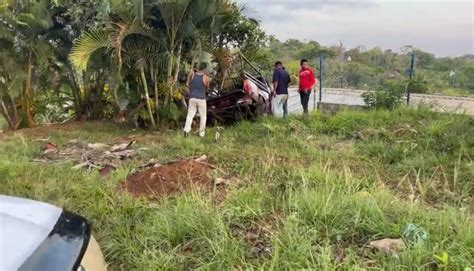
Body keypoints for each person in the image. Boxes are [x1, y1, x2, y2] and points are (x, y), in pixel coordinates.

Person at [183, 62, 210, 137]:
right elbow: (207, 88)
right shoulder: (206, 77)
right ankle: (201, 133)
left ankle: (186, 130)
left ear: (198, 67)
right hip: (201, 98)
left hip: (192, 98)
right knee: (203, 116)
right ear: (204, 69)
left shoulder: (192, 75)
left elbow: (187, 84)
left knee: (190, 115)